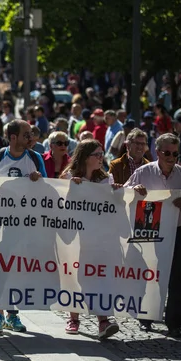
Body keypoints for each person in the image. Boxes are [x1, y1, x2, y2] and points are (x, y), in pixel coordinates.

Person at [125, 133, 181, 338]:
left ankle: (175, 323)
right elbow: (123, 194)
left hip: (177, 231)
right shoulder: (143, 172)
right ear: (157, 152)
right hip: (150, 231)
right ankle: (146, 317)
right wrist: (133, 190)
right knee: (150, 275)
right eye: (167, 153)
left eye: (175, 154)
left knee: (176, 278)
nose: (171, 157)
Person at [0, 120, 47, 334]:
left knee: (18, 270)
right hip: (0, 226)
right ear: (14, 137)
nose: (31, 138)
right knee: (1, 270)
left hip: (25, 227)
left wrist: (40, 180)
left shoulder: (35, 158)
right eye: (26, 135)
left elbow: (48, 189)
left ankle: (13, 314)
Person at [59, 139, 121, 338]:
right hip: (75, 237)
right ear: (86, 157)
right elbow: (58, 203)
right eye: (97, 154)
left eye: (102, 154)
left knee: (97, 277)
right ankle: (73, 318)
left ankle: (103, 321)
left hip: (97, 238)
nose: (101, 158)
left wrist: (119, 192)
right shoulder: (69, 176)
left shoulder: (106, 180)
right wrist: (70, 187)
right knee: (74, 277)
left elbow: (112, 205)